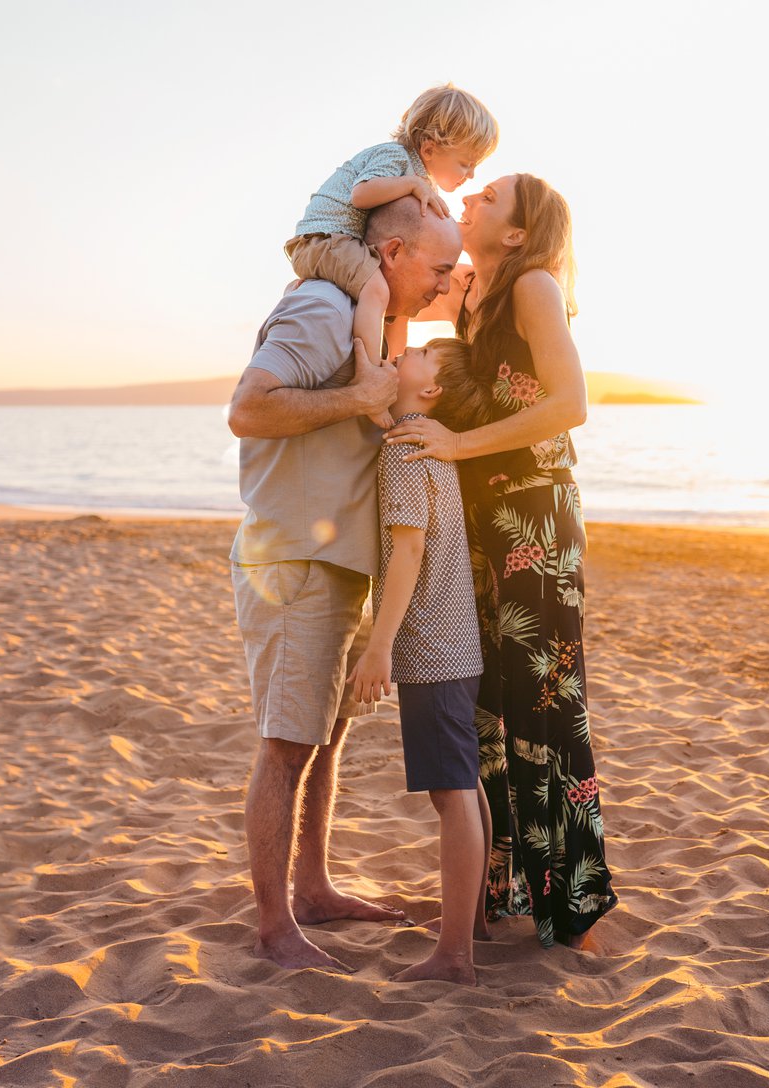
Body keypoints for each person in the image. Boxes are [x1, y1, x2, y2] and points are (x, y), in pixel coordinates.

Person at [227, 197, 462, 972]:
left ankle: (315, 887)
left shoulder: (371, 324)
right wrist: (360, 398)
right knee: (288, 743)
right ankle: (273, 927)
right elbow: (248, 408)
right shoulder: (323, 309)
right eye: (436, 266)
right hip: (295, 560)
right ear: (391, 253)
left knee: (322, 741)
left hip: (335, 564)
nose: (443, 282)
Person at [385, 174, 617, 948]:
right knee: (488, 708)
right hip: (484, 519)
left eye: (489, 197)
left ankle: (571, 905)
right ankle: (496, 894)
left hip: (536, 515)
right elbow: (398, 297)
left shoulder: (535, 286)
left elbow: (569, 404)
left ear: (519, 233)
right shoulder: (476, 288)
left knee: (545, 706)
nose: (471, 201)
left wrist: (452, 444)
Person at [350, 338, 494, 984]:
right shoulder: (431, 443)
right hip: (458, 646)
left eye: (424, 354)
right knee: (467, 787)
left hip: (432, 653)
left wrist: (378, 645)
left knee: (451, 794)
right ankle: (474, 920)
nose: (407, 349)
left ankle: (454, 954)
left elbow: (406, 555)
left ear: (430, 391)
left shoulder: (408, 451)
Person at [284, 85, 498, 423]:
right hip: (325, 238)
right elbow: (361, 195)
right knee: (377, 289)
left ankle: (389, 372)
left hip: (337, 244)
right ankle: (368, 381)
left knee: (396, 307)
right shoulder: (395, 157)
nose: (470, 175)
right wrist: (413, 186)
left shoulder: (415, 172)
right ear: (429, 148)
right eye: (465, 163)